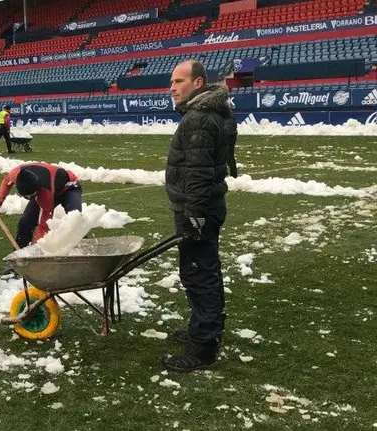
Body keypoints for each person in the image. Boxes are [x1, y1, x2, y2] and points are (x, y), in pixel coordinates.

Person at [163, 60, 237, 373]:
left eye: (179, 81)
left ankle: (203, 347)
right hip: (206, 206)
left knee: (198, 274)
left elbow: (199, 172)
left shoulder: (199, 118)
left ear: (198, 83)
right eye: (171, 82)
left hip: (198, 210)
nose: (172, 88)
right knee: (204, 269)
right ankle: (204, 328)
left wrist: (193, 217)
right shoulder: (213, 111)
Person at [0, 163, 82, 249]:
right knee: (25, 222)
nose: (29, 198)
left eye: (31, 196)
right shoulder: (16, 174)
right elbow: (6, 182)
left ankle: (82, 246)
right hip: (45, 189)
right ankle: (19, 253)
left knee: (74, 220)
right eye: (26, 196)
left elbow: (44, 224)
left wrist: (38, 248)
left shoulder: (45, 192)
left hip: (69, 187)